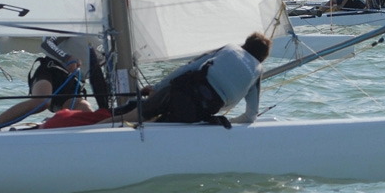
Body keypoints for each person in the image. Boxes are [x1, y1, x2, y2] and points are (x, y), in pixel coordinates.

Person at [109, 32, 272, 127]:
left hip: (178, 91)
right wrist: (230, 122)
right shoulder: (258, 70)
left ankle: (92, 128)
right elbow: (251, 116)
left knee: (133, 116)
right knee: (155, 125)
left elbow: (188, 68)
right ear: (262, 59)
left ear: (245, 44)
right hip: (197, 112)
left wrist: (156, 88)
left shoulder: (230, 48)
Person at [0, 36, 94, 131]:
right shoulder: (74, 25)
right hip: (51, 70)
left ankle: (41, 128)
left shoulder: (107, 40)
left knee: (86, 111)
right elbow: (47, 43)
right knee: (43, 101)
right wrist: (66, 58)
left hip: (72, 83)